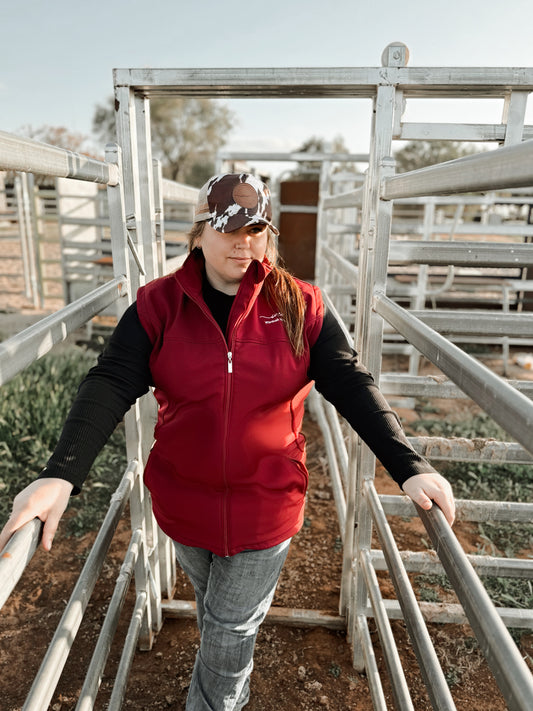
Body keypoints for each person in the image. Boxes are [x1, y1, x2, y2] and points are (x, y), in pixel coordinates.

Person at [0, 172, 455, 710]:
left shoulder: (300, 305)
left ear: (269, 234)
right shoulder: (158, 305)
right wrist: (62, 472)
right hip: (183, 503)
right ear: (198, 234)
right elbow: (110, 380)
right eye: (228, 228)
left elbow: (351, 383)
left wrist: (408, 463)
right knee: (218, 611)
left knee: (229, 633)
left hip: (266, 505)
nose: (244, 242)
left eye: (256, 228)